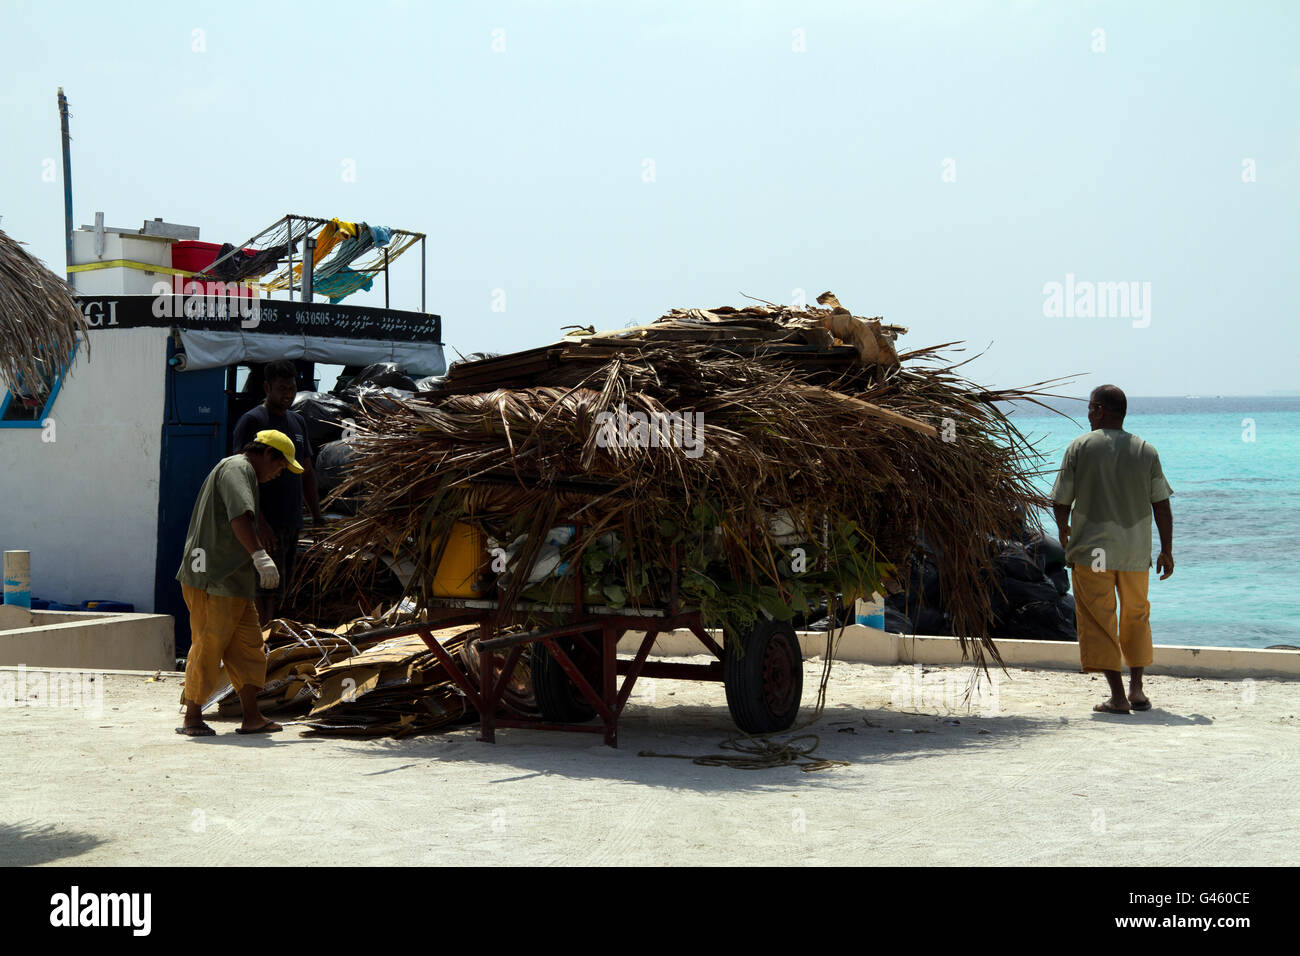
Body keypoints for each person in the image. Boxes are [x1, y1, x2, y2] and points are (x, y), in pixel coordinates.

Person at [1051, 385, 1174, 714]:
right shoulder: (1145, 450)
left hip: (1093, 553)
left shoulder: (1080, 447)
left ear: (1100, 410)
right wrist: (1167, 549)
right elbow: (1161, 504)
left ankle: (1117, 697)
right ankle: (1137, 690)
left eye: (1091, 408)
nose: (1088, 414)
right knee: (1136, 617)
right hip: (1134, 551)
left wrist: (1063, 530)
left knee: (1098, 619)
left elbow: (1060, 499)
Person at [174, 430, 304, 736]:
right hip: (212, 578)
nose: (278, 474)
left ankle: (252, 716)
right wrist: (260, 555)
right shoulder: (238, 468)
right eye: (280, 466)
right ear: (268, 454)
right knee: (209, 645)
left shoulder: (241, 471)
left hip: (232, 581)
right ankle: (192, 717)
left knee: (248, 648)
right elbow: (240, 517)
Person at [232, 360, 323, 626]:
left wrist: (316, 516)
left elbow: (306, 472)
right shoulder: (253, 421)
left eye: (292, 388)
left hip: (291, 521)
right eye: (282, 388)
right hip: (265, 523)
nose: (288, 394)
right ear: (267, 387)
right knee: (262, 588)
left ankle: (272, 640)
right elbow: (242, 476)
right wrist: (259, 523)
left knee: (281, 588)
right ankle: (260, 643)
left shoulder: (297, 422)